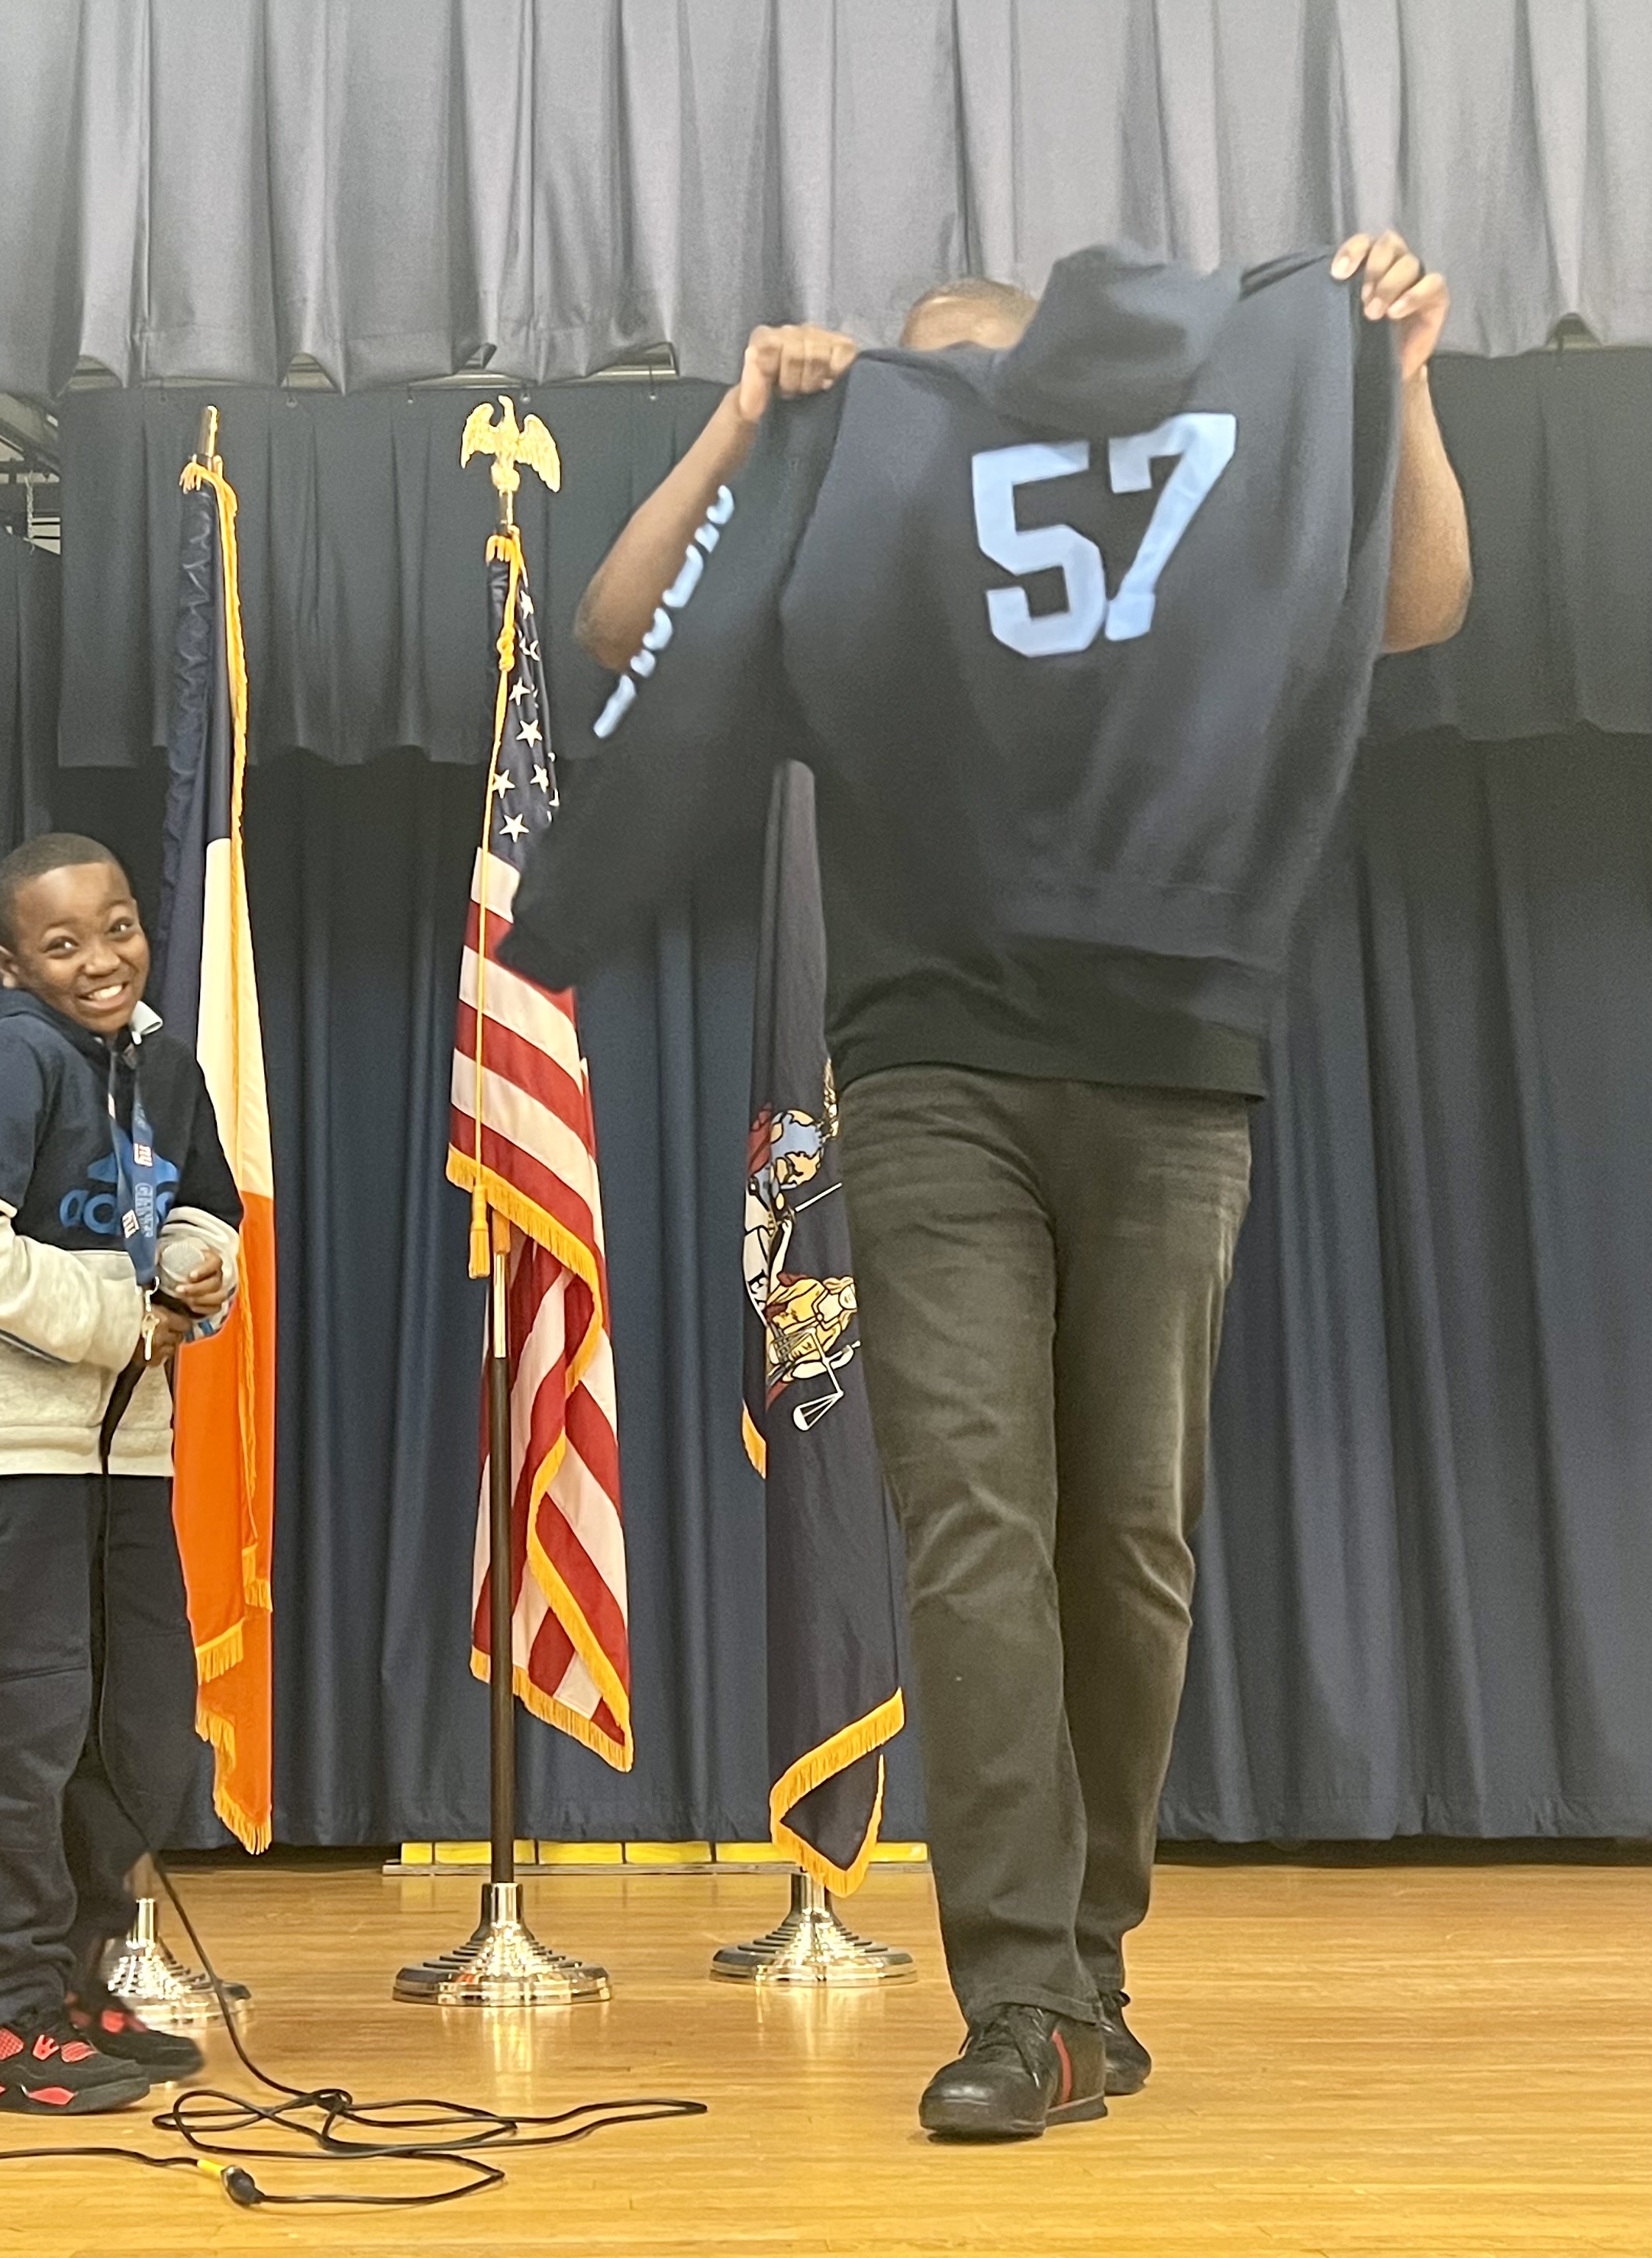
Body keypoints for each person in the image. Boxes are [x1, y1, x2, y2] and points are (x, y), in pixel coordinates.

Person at [512, 233, 1471, 2140]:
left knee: (1129, 1540)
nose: (938, 386)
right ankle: (1021, 1993)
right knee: (973, 1530)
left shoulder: (1191, 511)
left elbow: (1418, 605)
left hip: (1174, 1070)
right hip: (933, 1073)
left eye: (977, 366)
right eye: (912, 367)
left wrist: (1398, 378)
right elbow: (625, 626)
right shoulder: (866, 531)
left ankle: (1090, 1957)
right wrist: (748, 425)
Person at [0, 834, 244, 2114]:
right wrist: (116, 1315)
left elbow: (206, 1210)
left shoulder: (159, 1062)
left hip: (124, 1449)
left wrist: (198, 1273)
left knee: (137, 1728)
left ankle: (75, 1981)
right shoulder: (11, 1057)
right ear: (12, 964)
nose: (99, 959)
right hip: (2, 1450)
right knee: (25, 1733)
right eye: (61, 943)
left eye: (118, 927)